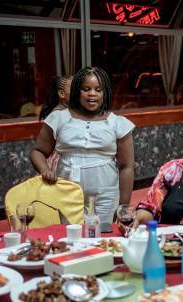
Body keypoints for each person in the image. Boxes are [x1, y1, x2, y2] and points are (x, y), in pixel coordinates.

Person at [29, 67, 135, 226]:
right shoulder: (59, 118)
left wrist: (123, 207)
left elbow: (127, 166)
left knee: (103, 238)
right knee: (71, 237)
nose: (92, 93)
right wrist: (45, 169)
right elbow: (37, 151)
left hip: (105, 196)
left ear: (105, 93)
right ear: (77, 92)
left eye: (98, 90)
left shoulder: (117, 123)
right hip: (66, 193)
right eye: (86, 89)